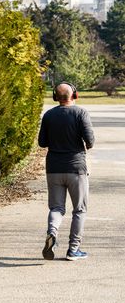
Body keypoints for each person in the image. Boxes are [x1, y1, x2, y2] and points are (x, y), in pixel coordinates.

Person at [38, 82, 95, 261]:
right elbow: (90, 140)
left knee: (56, 208)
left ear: (56, 97)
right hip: (76, 168)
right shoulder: (81, 113)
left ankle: (52, 232)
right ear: (74, 95)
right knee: (79, 210)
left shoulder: (48, 115)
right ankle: (73, 249)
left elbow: (42, 142)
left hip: (54, 168)